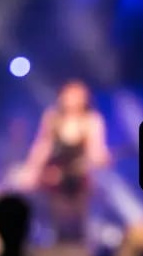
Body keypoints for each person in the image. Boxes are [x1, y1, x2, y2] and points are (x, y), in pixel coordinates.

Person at [20, 80, 110, 243]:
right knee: (57, 223)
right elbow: (42, 145)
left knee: (79, 224)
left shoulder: (92, 120)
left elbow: (96, 149)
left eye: (78, 95)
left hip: (79, 180)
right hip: (55, 179)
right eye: (70, 94)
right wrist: (31, 169)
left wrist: (100, 158)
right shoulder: (53, 117)